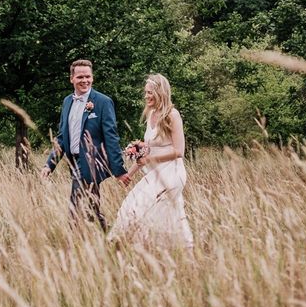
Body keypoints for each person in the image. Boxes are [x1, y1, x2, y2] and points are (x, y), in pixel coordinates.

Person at [42, 59, 128, 230]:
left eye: (88, 76)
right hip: (73, 162)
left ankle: (72, 241)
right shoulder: (67, 102)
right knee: (92, 208)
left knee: (75, 207)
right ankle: (106, 236)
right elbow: (61, 137)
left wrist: (118, 170)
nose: (85, 80)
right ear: (71, 78)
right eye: (80, 77)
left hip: (91, 161)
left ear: (92, 78)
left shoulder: (103, 102)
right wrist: (49, 165)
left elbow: (111, 137)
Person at [109, 74, 193, 249]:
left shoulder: (172, 115)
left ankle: (144, 248)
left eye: (150, 93)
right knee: (169, 214)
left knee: (142, 211)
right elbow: (147, 151)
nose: (146, 96)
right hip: (155, 173)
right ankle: (181, 252)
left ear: (160, 93)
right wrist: (129, 175)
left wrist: (151, 158)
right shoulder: (151, 115)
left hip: (172, 172)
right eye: (145, 92)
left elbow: (179, 151)